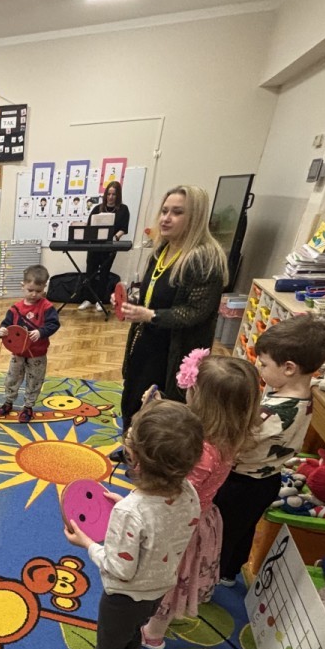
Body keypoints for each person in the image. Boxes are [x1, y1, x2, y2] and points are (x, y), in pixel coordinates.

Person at [58, 400, 203, 649]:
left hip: (123, 596)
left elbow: (118, 568)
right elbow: (162, 523)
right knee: (133, 633)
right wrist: (128, 505)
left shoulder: (130, 513)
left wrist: (87, 544)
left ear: (134, 460)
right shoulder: (189, 492)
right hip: (158, 587)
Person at [140, 352, 261, 649]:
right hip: (201, 517)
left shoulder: (202, 450)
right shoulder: (227, 434)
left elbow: (175, 491)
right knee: (175, 575)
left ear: (202, 401)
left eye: (192, 389)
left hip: (179, 523)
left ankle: (153, 634)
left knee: (167, 578)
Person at [214, 316, 325, 587]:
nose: (260, 367)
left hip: (242, 481)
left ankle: (210, 577)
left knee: (222, 531)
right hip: (268, 480)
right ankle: (229, 572)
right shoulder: (304, 392)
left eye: (264, 363)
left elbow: (238, 445)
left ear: (289, 368)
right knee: (243, 528)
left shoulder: (273, 413)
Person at [114, 184, 228, 461]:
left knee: (164, 407)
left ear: (195, 217)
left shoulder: (205, 259)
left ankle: (154, 463)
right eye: (164, 211)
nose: (166, 218)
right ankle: (132, 449)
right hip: (148, 338)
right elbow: (154, 294)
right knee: (134, 395)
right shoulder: (161, 250)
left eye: (177, 212)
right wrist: (132, 302)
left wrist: (150, 315)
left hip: (176, 349)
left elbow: (195, 312)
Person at [0, 265, 59, 423]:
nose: (34, 294)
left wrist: (41, 332)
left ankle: (28, 406)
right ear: (22, 285)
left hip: (37, 353)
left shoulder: (47, 307)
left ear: (44, 287)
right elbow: (6, 325)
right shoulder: (15, 309)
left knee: (35, 380)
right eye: (30, 290)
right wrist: (1, 330)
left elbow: (54, 324)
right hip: (17, 353)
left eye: (38, 291)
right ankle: (8, 402)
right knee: (12, 377)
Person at [79, 181, 130, 312]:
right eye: (109, 194)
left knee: (104, 273)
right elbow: (89, 226)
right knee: (90, 271)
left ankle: (99, 299)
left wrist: (115, 237)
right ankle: (88, 298)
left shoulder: (123, 209)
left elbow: (124, 228)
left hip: (109, 247)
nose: (111, 197)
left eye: (114, 194)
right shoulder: (98, 208)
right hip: (95, 246)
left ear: (118, 195)